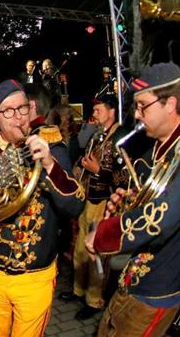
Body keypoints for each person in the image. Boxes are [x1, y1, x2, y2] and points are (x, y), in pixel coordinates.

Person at [86, 63, 180, 337]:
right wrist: (121, 203)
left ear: (169, 104)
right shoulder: (155, 150)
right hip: (133, 277)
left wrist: (103, 235)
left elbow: (163, 216)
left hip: (159, 284)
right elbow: (140, 202)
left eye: (142, 106)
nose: (136, 114)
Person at [0, 79, 85, 335]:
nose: (18, 117)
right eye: (8, 111)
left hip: (35, 277)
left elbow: (74, 206)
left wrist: (49, 166)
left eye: (22, 108)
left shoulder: (51, 150)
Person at [61, 93, 125, 319]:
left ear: (112, 111)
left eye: (98, 110)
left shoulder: (122, 137)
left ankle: (94, 301)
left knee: (95, 253)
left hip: (106, 203)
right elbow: (81, 157)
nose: (94, 114)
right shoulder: (98, 135)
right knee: (80, 249)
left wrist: (99, 171)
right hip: (88, 198)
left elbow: (126, 179)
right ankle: (78, 291)